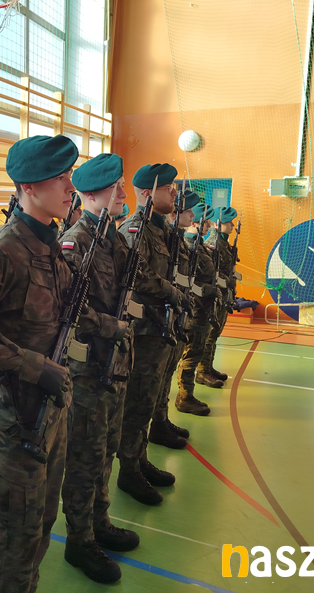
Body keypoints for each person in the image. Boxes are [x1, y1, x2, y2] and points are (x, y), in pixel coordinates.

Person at [0, 135, 107, 593]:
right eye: (59, 178)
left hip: (54, 408)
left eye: (69, 176)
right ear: (28, 187)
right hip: (20, 415)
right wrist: (33, 366)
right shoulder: (2, 250)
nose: (70, 187)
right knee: (18, 533)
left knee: (42, 520)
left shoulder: (51, 246)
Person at [59, 154, 138, 584]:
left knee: (105, 449)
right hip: (89, 369)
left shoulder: (114, 238)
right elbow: (70, 308)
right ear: (91, 194)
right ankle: (79, 539)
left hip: (115, 365)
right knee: (84, 457)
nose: (123, 193)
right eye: (115, 187)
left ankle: (99, 521)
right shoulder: (76, 242)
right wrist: (112, 327)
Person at [116, 163, 189, 506]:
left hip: (161, 328)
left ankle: (140, 458)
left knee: (150, 399)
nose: (174, 192)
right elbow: (139, 276)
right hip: (143, 332)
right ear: (146, 193)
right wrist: (171, 292)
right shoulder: (135, 229)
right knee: (137, 403)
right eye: (167, 187)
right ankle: (128, 469)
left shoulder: (161, 229)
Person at [147, 189, 201, 447]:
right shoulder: (145, 232)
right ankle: (136, 456)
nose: (192, 216)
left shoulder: (173, 237)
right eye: (188, 211)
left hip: (173, 316)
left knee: (165, 376)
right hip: (153, 323)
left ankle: (160, 421)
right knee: (146, 391)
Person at [174, 201, 219, 415]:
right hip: (195, 310)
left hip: (203, 309)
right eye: (206, 222)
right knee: (190, 355)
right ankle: (185, 396)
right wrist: (208, 290)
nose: (209, 226)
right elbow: (188, 282)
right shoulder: (189, 244)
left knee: (197, 351)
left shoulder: (198, 245)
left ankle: (187, 394)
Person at [196, 206, 239, 386]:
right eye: (228, 222)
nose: (232, 226)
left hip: (223, 295)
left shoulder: (224, 243)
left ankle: (208, 366)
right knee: (209, 334)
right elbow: (211, 273)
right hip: (215, 294)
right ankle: (202, 371)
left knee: (215, 334)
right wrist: (226, 282)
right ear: (217, 224)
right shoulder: (213, 244)